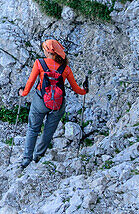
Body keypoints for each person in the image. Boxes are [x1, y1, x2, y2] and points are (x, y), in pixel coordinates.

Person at [17, 38, 87, 168]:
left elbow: (30, 83)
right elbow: (77, 89)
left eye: (44, 49)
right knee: (48, 131)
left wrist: (23, 93)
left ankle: (27, 159)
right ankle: (38, 156)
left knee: (33, 129)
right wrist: (85, 90)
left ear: (49, 52)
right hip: (58, 104)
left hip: (40, 101)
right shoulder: (66, 69)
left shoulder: (39, 63)